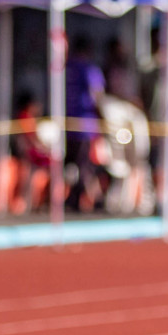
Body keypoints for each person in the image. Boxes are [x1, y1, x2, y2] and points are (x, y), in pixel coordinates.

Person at [63, 36, 106, 212]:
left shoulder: (66, 68)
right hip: (85, 126)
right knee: (84, 165)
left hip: (68, 124)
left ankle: (76, 197)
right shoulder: (89, 69)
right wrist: (103, 120)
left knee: (73, 164)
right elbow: (97, 96)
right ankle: (91, 199)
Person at [11, 91, 51, 212]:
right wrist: (43, 148)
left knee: (32, 179)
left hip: (31, 154)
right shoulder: (25, 117)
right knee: (28, 180)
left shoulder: (29, 118)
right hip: (29, 154)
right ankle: (27, 204)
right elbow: (30, 137)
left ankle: (33, 203)